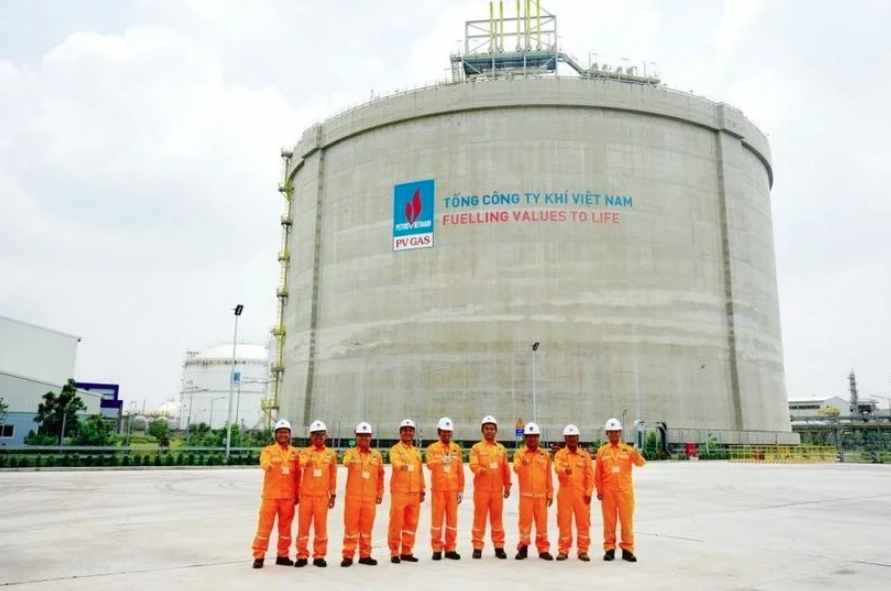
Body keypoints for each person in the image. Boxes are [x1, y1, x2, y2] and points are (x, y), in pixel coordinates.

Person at [594, 418, 646, 563]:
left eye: (616, 432)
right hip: (608, 492)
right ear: (607, 434)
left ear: (620, 433)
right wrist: (598, 489)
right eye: (611, 433)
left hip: (625, 492)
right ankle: (609, 549)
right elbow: (597, 474)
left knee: (626, 521)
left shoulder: (628, 450)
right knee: (609, 522)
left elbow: (641, 463)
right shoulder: (602, 451)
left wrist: (637, 453)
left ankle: (627, 550)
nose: (614, 435)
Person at [251, 419, 301, 569]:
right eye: (280, 432)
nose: (283, 435)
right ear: (275, 435)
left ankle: (283, 555)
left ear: (290, 435)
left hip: (288, 498)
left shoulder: (295, 453)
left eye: (285, 432)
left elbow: (298, 475)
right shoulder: (269, 450)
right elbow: (263, 461)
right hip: (271, 497)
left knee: (285, 529)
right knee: (264, 527)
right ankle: (259, 556)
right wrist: (268, 465)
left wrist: (297, 494)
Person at [341, 421, 385, 567]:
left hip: (369, 498)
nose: (364, 438)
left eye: (366, 435)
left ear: (371, 437)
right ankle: (348, 555)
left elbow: (380, 476)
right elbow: (345, 462)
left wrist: (380, 493)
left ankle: (365, 555)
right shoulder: (351, 453)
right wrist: (350, 460)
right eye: (361, 435)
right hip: (353, 498)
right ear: (356, 437)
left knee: (367, 528)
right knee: (351, 528)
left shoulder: (377, 456)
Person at [295, 419, 338, 568]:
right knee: (303, 528)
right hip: (306, 496)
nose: (319, 437)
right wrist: (306, 462)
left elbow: (333, 476)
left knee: (321, 529)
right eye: (315, 434)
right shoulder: (305, 452)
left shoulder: (331, 454)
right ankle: (301, 555)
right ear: (310, 437)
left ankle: (319, 555)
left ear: (326, 436)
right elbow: (300, 461)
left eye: (321, 434)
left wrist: (332, 495)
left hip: (322, 497)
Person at [469, 415, 511, 559]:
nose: (489, 431)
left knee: (497, 520)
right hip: (481, 490)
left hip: (497, 491)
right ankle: (477, 546)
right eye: (487, 428)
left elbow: (506, 469)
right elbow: (473, 465)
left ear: (496, 431)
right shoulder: (476, 448)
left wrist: (508, 485)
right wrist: (481, 470)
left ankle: (499, 546)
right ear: (482, 431)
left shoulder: (501, 449)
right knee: (479, 519)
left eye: (492, 428)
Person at [512, 422, 554, 561]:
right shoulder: (520, 454)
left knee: (542, 524)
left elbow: (548, 476)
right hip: (526, 497)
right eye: (529, 436)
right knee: (524, 524)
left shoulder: (545, 455)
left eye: (534, 436)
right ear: (525, 437)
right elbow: (516, 469)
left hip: (541, 497)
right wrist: (522, 465)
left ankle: (543, 549)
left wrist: (550, 493)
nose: (532, 439)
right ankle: (523, 548)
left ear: (538, 437)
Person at [554, 424, 595, 561]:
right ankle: (563, 550)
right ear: (565, 438)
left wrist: (589, 492)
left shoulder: (585, 456)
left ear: (578, 438)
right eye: (569, 437)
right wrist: (565, 471)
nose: (571, 439)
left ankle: (583, 550)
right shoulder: (560, 454)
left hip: (581, 494)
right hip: (565, 493)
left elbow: (590, 476)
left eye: (574, 437)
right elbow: (557, 468)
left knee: (583, 522)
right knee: (564, 522)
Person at [425, 417, 465, 560]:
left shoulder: (456, 449)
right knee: (437, 520)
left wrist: (461, 490)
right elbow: (429, 464)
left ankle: (450, 548)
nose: (447, 434)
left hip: (453, 490)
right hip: (438, 490)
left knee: (452, 520)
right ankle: (436, 548)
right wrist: (441, 460)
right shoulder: (432, 448)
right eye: (444, 432)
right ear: (439, 432)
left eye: (449, 432)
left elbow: (460, 471)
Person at [388, 418, 426, 563]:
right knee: (396, 522)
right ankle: (394, 551)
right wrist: (400, 466)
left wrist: (422, 489)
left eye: (410, 430)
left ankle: (407, 550)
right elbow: (394, 461)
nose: (408, 433)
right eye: (405, 430)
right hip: (400, 491)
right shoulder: (396, 449)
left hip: (414, 492)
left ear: (413, 433)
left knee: (411, 523)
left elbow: (420, 471)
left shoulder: (416, 451)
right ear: (400, 433)